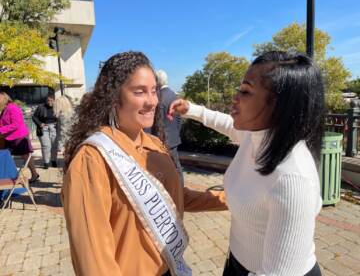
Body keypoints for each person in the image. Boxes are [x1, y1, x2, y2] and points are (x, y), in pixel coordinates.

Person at [61, 51, 227, 276]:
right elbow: (93, 258)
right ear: (113, 97)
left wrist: (232, 199)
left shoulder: (155, 144)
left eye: (154, 91)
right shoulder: (93, 159)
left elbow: (177, 197)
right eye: (139, 92)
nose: (152, 101)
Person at [169, 51, 324, 276]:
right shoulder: (258, 136)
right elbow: (226, 123)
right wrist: (191, 110)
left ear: (280, 106)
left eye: (245, 91)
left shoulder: (292, 178)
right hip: (237, 262)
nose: (235, 97)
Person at [150, 69, 184, 187]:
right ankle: (181, 190)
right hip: (173, 138)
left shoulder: (158, 98)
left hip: (162, 140)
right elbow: (179, 119)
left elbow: (156, 122)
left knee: (161, 170)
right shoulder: (175, 95)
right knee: (176, 167)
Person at [0, 92, 39, 183]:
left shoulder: (12, 107)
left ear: (4, 99)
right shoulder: (5, 109)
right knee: (7, 156)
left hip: (19, 137)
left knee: (25, 155)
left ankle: (33, 174)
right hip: (10, 137)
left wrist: (1, 130)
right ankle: (10, 176)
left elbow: (16, 124)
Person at [32, 93, 58, 169]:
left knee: (54, 146)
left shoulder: (57, 107)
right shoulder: (41, 107)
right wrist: (40, 124)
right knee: (46, 146)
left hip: (54, 127)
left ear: (54, 101)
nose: (50, 102)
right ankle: (46, 162)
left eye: (51, 100)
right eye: (48, 100)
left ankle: (53, 160)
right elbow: (34, 117)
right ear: (46, 101)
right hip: (44, 128)